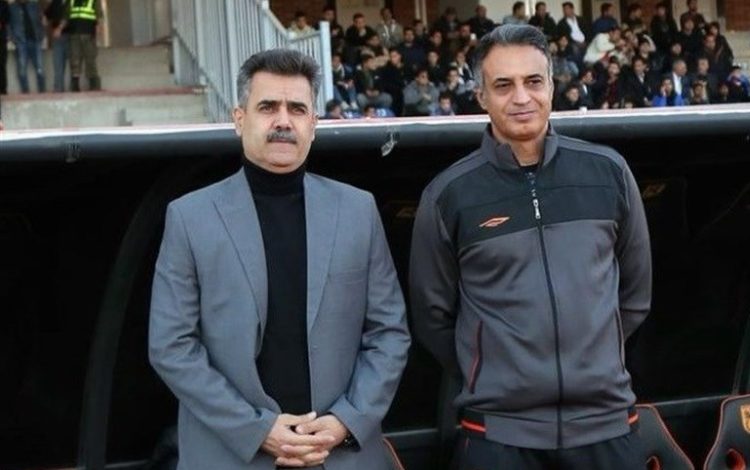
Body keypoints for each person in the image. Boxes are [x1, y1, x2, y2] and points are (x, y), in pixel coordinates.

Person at [148, 48, 410, 469]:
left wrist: (347, 421)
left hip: (339, 454)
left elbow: (389, 333)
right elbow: (171, 347)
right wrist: (256, 430)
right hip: (230, 455)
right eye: (268, 107)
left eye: (297, 109)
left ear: (313, 124)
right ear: (239, 119)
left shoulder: (358, 210)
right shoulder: (189, 217)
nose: (283, 121)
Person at [409, 24, 651, 470]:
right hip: (498, 435)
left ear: (552, 87)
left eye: (533, 81)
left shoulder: (609, 173)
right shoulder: (449, 194)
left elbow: (634, 298)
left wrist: (592, 357)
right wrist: (495, 371)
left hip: (606, 427)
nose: (522, 97)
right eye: (504, 85)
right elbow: (432, 316)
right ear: (481, 96)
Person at [54, 0, 104, 91]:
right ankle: (75, 85)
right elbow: (66, 17)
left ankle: (94, 84)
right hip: (74, 35)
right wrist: (59, 28)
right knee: (75, 59)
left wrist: (99, 30)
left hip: (88, 34)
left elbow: (99, 16)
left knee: (90, 59)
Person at [8, 0, 46, 93]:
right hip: (21, 42)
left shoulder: (34, 5)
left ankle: (42, 92)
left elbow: (41, 20)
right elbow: (8, 25)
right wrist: (13, 38)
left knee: (40, 69)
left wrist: (41, 35)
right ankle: (25, 92)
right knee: (22, 70)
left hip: (35, 41)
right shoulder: (12, 8)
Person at [44, 0, 68, 92]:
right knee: (58, 65)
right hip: (57, 38)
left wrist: (59, 28)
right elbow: (46, 15)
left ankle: (73, 90)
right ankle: (58, 89)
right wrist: (44, 19)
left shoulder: (72, 2)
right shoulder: (56, 2)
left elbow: (69, 18)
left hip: (71, 36)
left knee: (74, 66)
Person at [0, 0, 9, 95]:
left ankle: (3, 89)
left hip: (1, 39)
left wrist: (1, 22)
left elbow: (7, 18)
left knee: (2, 64)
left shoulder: (3, 3)